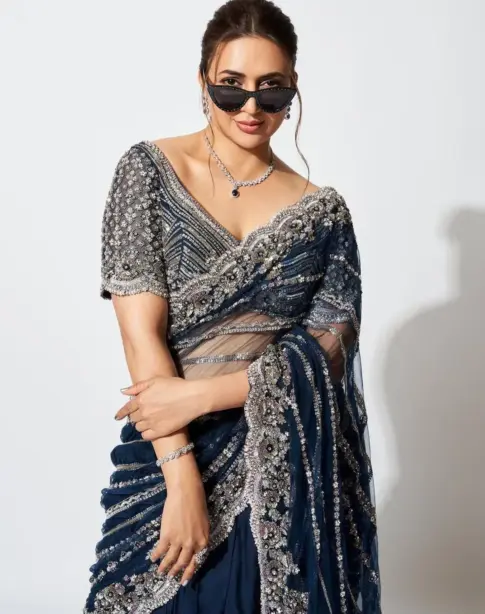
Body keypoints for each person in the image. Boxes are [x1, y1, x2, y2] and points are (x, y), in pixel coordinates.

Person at [83, 1, 381, 612]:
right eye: (231, 86)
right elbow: (141, 336)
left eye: (271, 90)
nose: (251, 106)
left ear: (293, 89)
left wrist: (201, 396)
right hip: (169, 452)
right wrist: (181, 479)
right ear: (202, 82)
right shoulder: (148, 173)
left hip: (284, 466)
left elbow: (328, 349)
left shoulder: (322, 215)